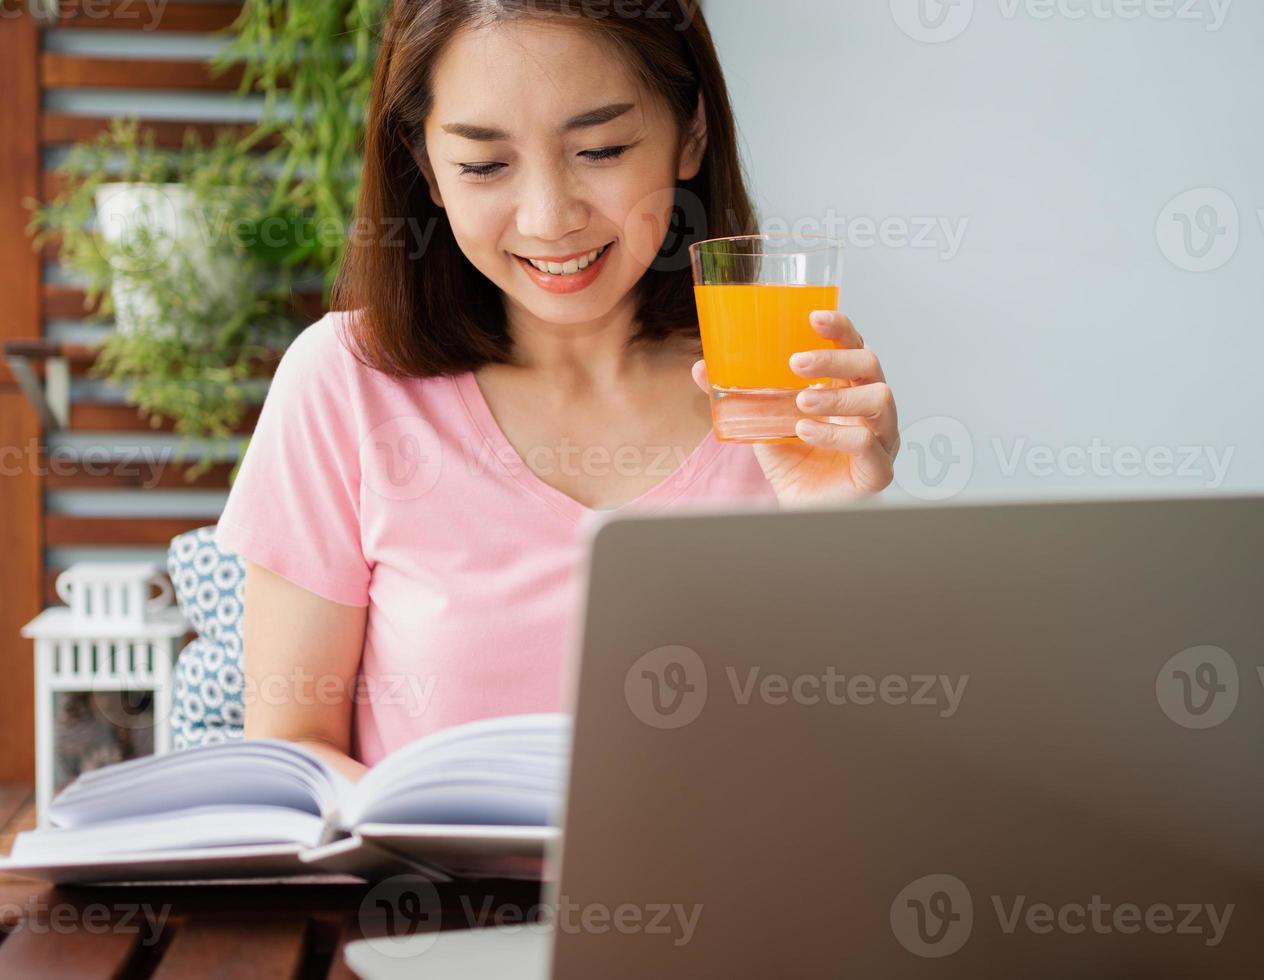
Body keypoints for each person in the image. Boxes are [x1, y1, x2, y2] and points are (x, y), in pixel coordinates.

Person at [215, 0, 901, 782]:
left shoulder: (778, 394)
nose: (549, 220)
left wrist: (837, 531)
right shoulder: (345, 384)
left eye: (601, 149)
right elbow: (290, 754)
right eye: (483, 165)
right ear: (426, 168)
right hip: (440, 902)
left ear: (692, 133)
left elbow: (843, 773)